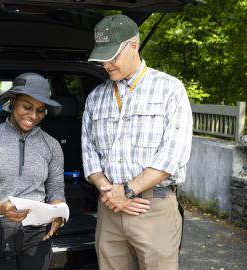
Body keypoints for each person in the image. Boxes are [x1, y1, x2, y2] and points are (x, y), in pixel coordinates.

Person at [81, 14, 193, 270]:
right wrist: (109, 191)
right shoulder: (96, 97)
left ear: (134, 45)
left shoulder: (170, 89)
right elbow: (89, 152)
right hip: (109, 209)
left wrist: (127, 191)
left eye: (113, 55)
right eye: (102, 57)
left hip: (153, 208)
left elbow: (172, 155)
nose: (106, 64)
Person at [0, 72, 65, 270]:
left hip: (37, 233)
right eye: (27, 107)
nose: (33, 116)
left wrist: (58, 214)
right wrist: (2, 208)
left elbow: (56, 190)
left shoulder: (52, 145)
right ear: (13, 102)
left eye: (40, 110)